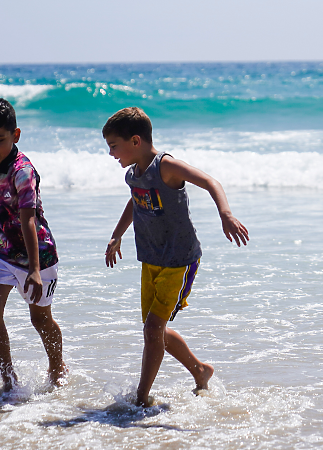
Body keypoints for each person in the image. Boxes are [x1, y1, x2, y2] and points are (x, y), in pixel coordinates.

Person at [103, 107, 249, 406]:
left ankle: (141, 398)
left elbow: (211, 182)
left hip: (178, 260)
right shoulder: (134, 174)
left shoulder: (165, 166)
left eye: (113, 146)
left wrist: (226, 214)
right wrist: (117, 234)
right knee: (155, 330)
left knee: (153, 329)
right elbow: (135, 202)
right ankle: (200, 370)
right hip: (151, 259)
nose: (111, 154)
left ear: (135, 141)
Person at [0, 97, 67, 390]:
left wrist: (35, 270)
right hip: (1, 252)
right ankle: (8, 378)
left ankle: (56, 365)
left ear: (16, 135)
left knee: (40, 319)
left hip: (37, 255)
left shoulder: (22, 172)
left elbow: (29, 221)